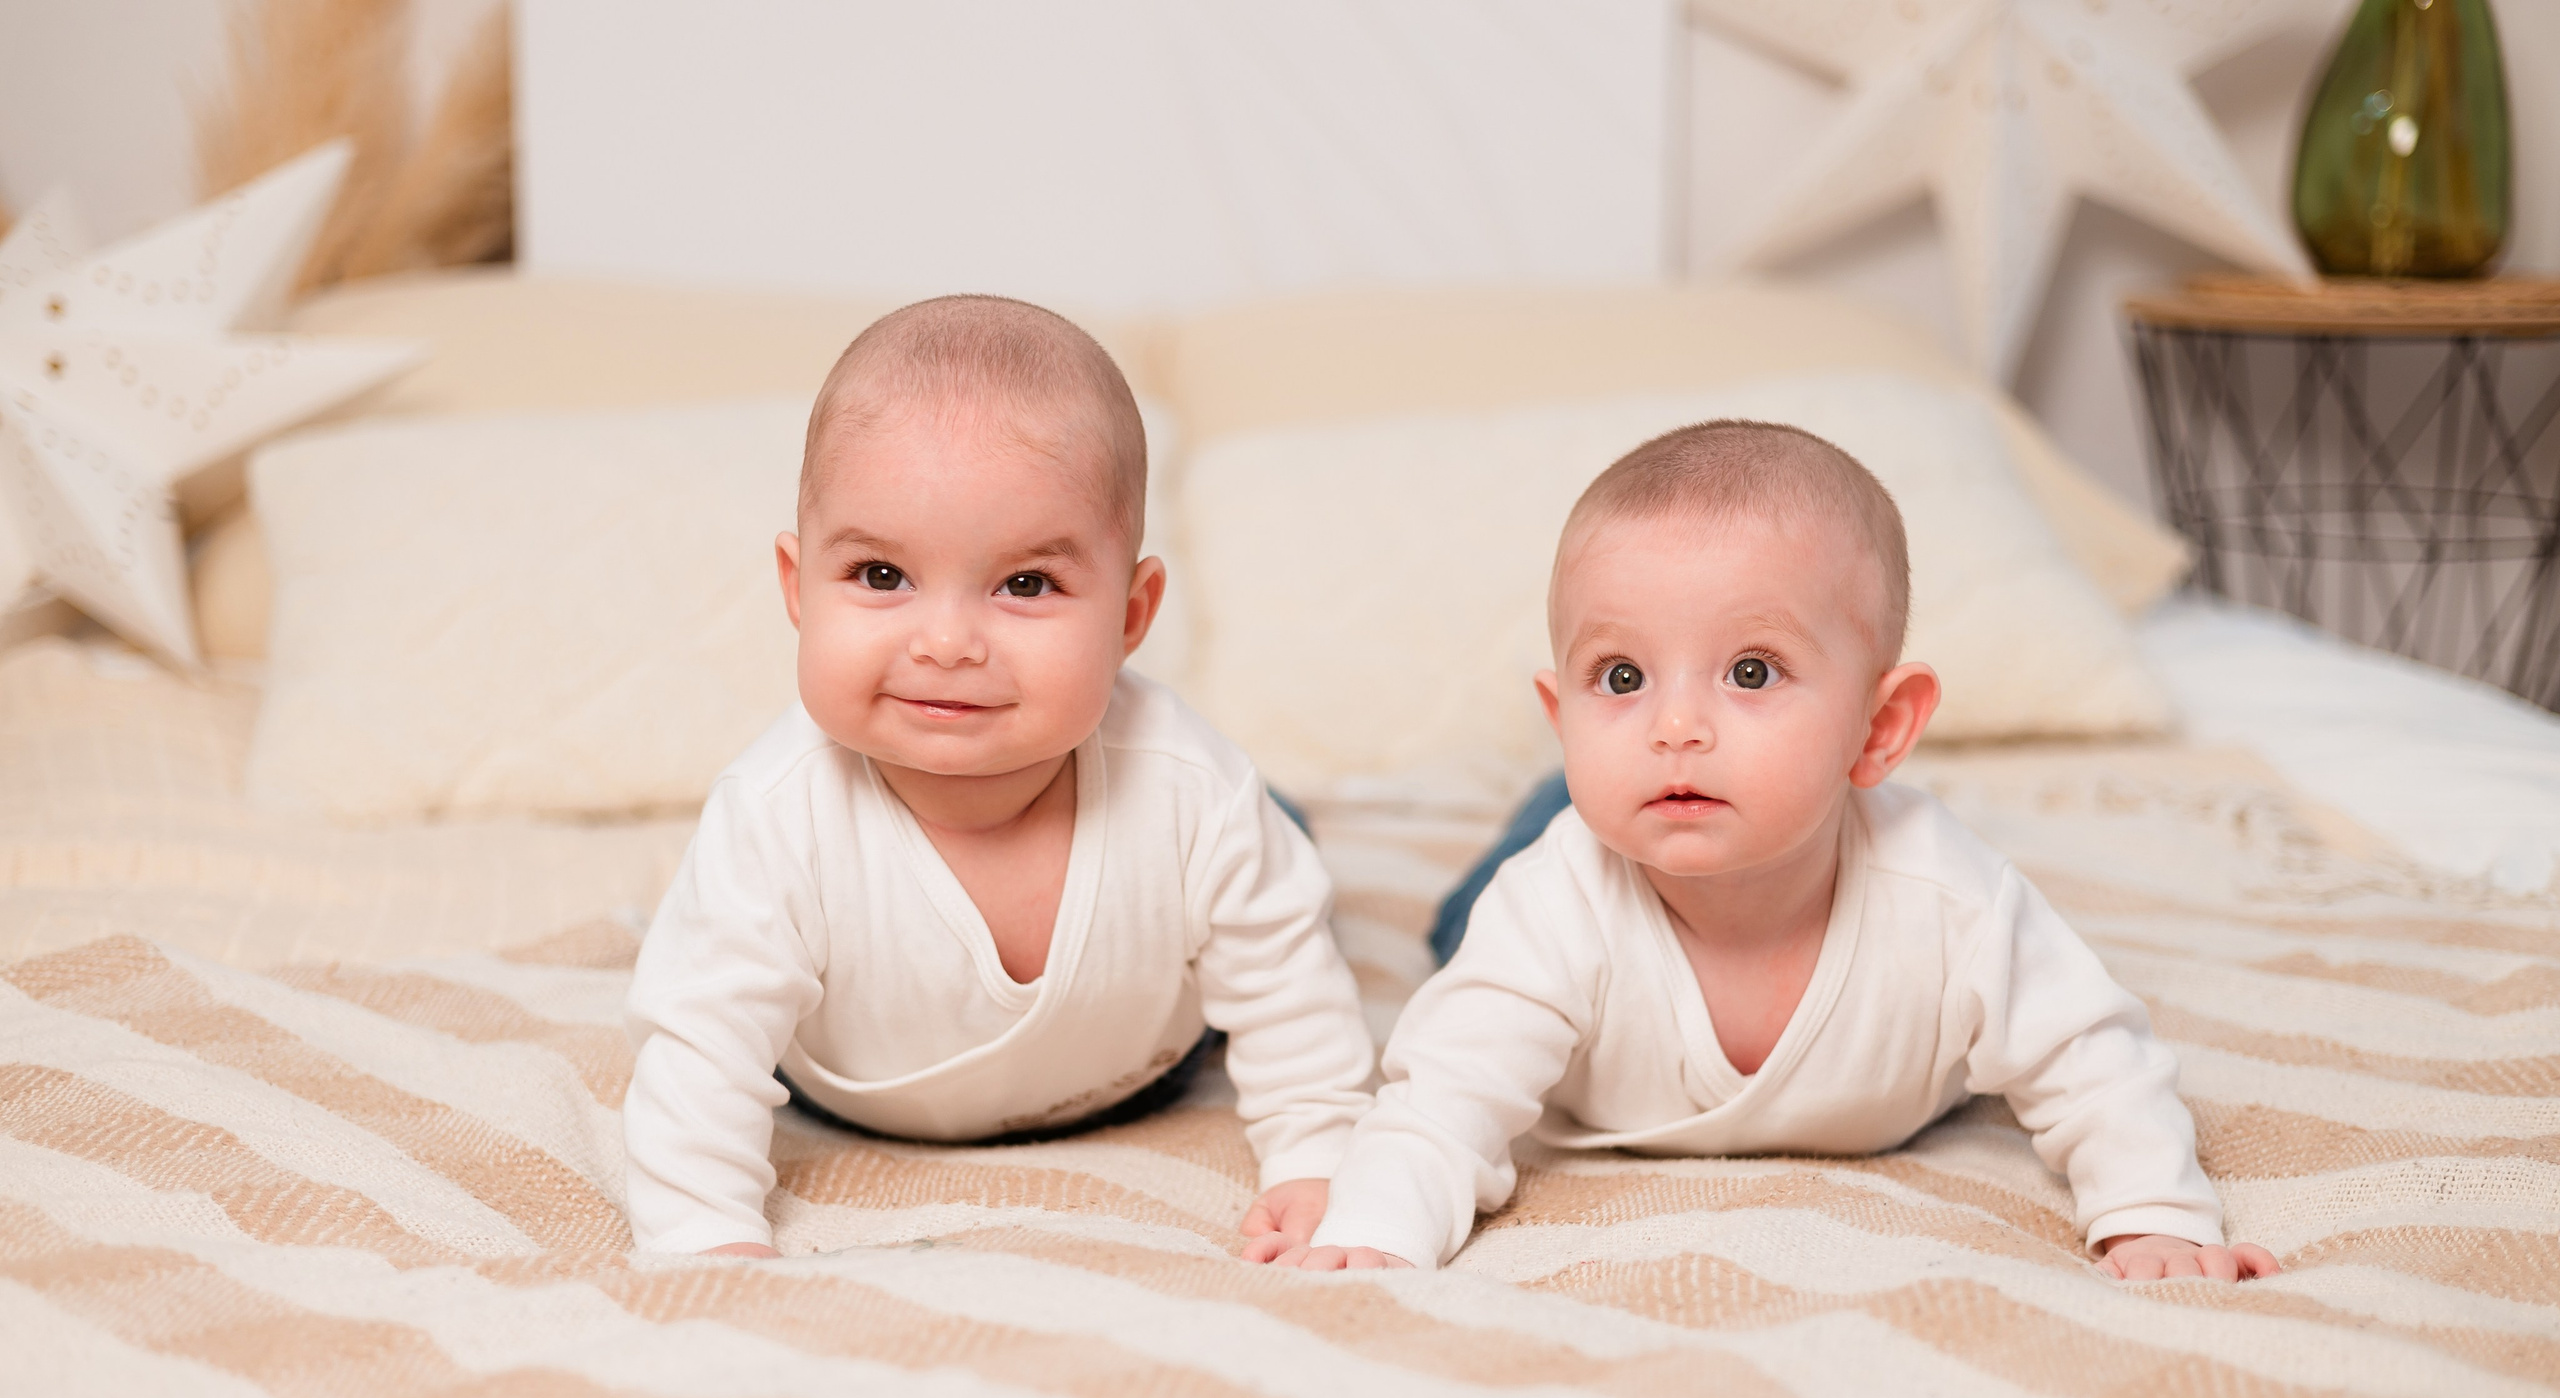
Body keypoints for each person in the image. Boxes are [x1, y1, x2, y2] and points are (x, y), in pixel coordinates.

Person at [1270, 420, 2277, 1283]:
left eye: (1750, 670)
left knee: (1603, 810)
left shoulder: (1948, 899)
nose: (1675, 726)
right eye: (1618, 677)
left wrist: (2152, 1212)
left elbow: (2089, 1057)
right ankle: (1551, 800)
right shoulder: (1550, 907)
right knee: (1477, 919)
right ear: (1560, 711)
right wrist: (1376, 1235)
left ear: (1879, 729)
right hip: (1566, 864)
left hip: (1652, 827)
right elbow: (1441, 1099)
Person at [623, 295, 1373, 1257]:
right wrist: (704, 1237)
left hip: (1145, 1063)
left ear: (1133, 613)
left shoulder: (1194, 787)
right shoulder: (774, 816)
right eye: (881, 575)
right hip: (852, 1089)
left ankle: (1289, 832)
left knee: (1275, 870)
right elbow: (702, 1052)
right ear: (796, 584)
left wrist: (1318, 1159)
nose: (945, 644)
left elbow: (1288, 995)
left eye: (1027, 584)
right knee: (702, 955)